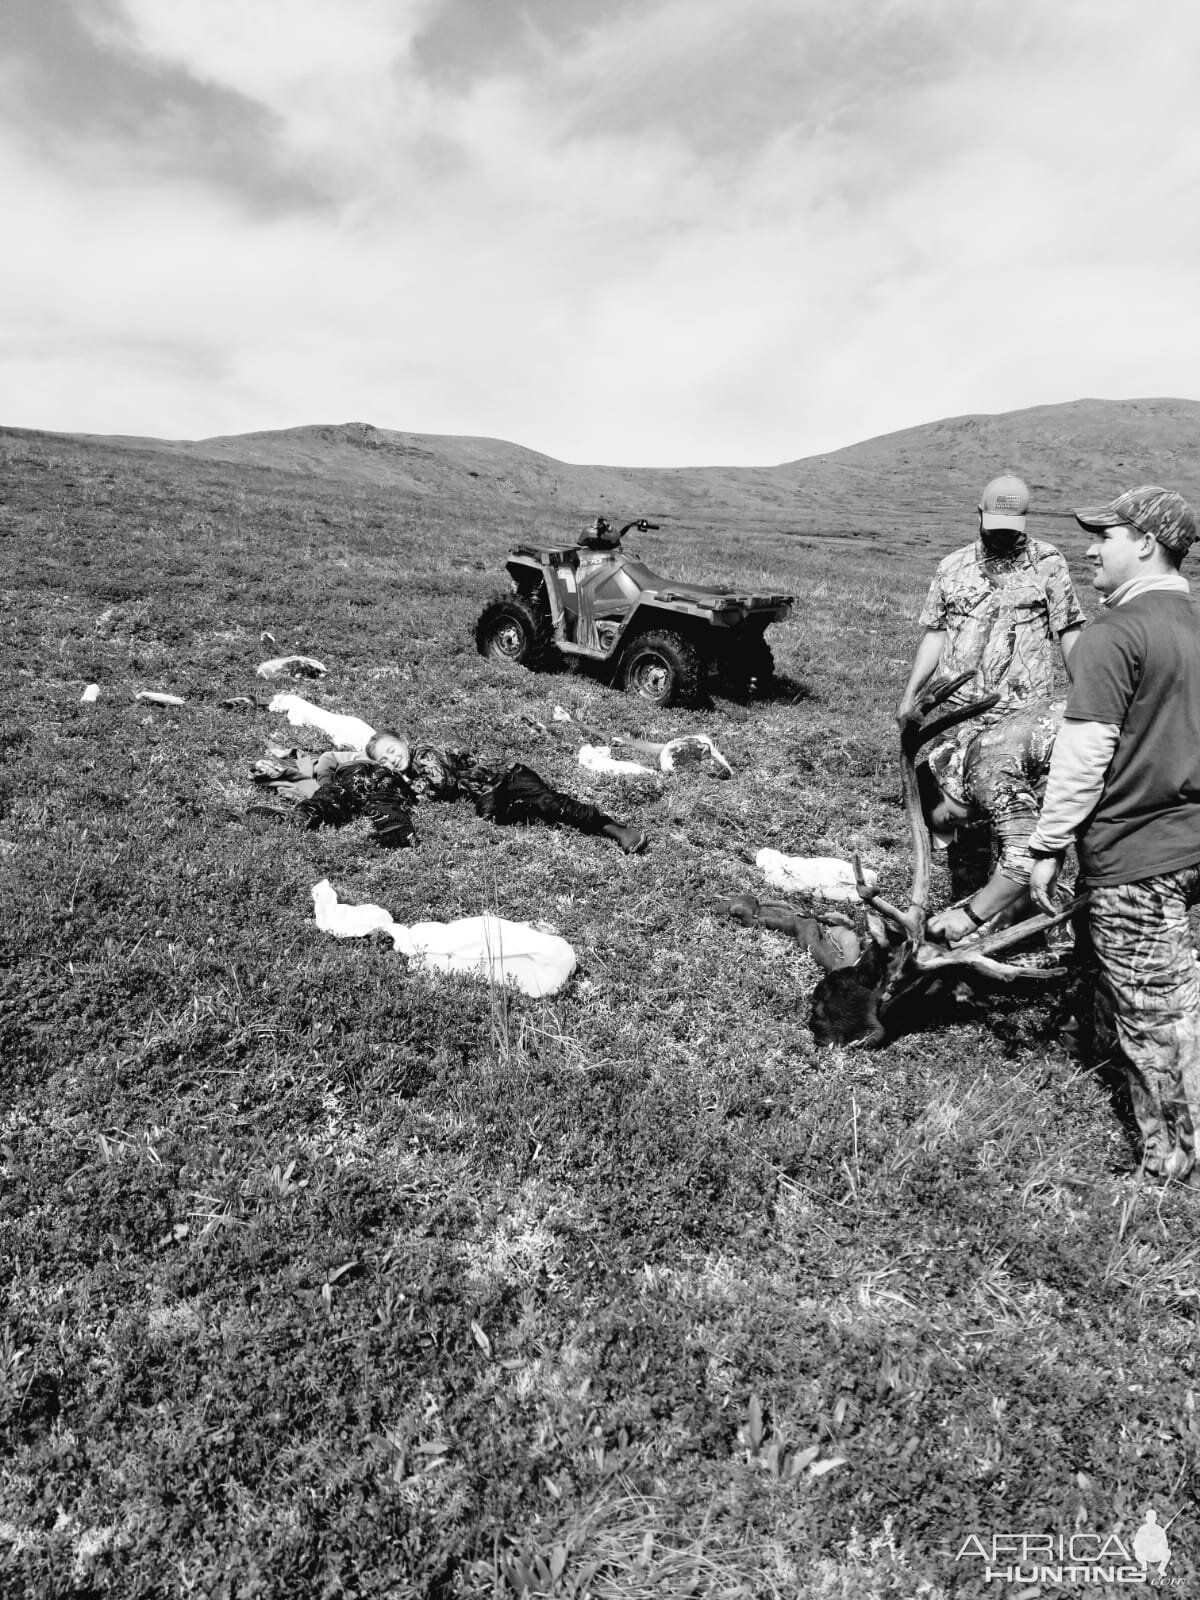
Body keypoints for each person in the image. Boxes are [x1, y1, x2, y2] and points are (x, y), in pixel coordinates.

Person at [1028, 486, 1200, 1184]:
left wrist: (1045, 847)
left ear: (1147, 544)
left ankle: (1175, 1166)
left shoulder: (1115, 633)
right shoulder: (1190, 627)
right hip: (1189, 846)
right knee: (1174, 994)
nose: (1091, 548)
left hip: (1136, 854)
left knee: (1157, 1018)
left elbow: (1083, 754)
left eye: (1108, 535)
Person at [898, 473, 1085, 894]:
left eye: (1011, 528)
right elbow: (935, 633)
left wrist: (1086, 693)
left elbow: (1069, 630)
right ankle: (965, 898)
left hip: (1025, 720)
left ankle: (1020, 903)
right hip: (960, 716)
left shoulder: (1049, 562)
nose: (1003, 536)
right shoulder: (953, 566)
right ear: (979, 513)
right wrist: (910, 696)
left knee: (1019, 819)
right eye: (994, 525)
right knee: (961, 815)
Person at [924, 698, 1064, 944]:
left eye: (951, 818)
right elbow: (1043, 837)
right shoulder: (983, 749)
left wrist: (970, 917)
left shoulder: (983, 772)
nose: (966, 826)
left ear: (942, 785)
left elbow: (1024, 854)